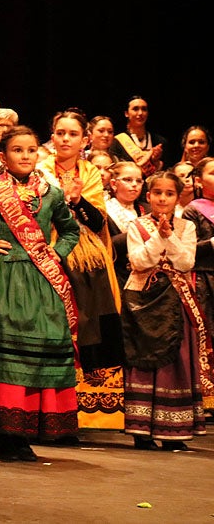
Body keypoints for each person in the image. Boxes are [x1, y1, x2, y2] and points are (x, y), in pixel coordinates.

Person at [0, 125, 82, 462]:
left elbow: (70, 229)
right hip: (3, 280)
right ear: (3, 156)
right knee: (5, 358)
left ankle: (23, 433)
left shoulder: (50, 193)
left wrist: (56, 253)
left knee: (36, 358)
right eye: (18, 150)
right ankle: (3, 434)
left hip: (41, 282)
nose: (25, 156)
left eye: (31, 150)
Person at [38, 110, 125, 431]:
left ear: (84, 140)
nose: (65, 139)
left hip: (87, 264)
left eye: (72, 134)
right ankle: (44, 408)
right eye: (60, 132)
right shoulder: (40, 169)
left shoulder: (90, 172)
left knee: (91, 326)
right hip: (46, 252)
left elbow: (99, 221)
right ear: (52, 134)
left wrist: (76, 202)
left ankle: (84, 414)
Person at [121, 171, 209, 449]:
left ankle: (173, 429)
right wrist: (158, 237)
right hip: (144, 302)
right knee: (144, 358)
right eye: (157, 193)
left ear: (177, 197)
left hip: (176, 300)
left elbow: (185, 263)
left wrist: (169, 237)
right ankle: (142, 430)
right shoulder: (136, 226)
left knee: (176, 358)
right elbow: (139, 261)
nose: (163, 198)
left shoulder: (187, 228)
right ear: (148, 196)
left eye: (169, 194)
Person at [183, 158, 214, 394]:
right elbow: (186, 250)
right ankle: (206, 395)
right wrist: (211, 244)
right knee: (206, 334)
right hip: (203, 279)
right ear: (198, 180)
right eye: (212, 173)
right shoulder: (193, 210)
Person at [106, 161, 148, 290]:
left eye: (139, 181)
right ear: (114, 184)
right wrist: (137, 233)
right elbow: (105, 246)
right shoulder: (103, 210)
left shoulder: (148, 209)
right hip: (116, 275)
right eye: (128, 180)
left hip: (147, 276)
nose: (134, 184)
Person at [110, 96, 167, 175]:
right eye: (135, 109)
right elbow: (116, 171)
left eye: (144, 109)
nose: (140, 113)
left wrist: (155, 161)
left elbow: (166, 172)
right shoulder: (117, 142)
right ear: (126, 113)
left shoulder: (159, 141)